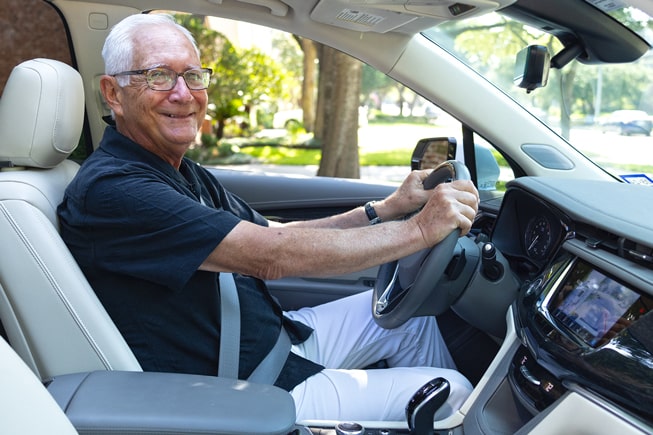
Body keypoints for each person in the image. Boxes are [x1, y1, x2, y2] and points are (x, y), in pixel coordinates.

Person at [57, 13, 480, 423]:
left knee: (414, 323)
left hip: (277, 340)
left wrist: (384, 210)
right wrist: (421, 230)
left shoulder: (176, 170)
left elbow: (276, 235)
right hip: (244, 390)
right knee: (453, 390)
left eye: (193, 76)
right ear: (113, 93)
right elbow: (271, 257)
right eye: (159, 76)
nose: (184, 94)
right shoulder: (115, 190)